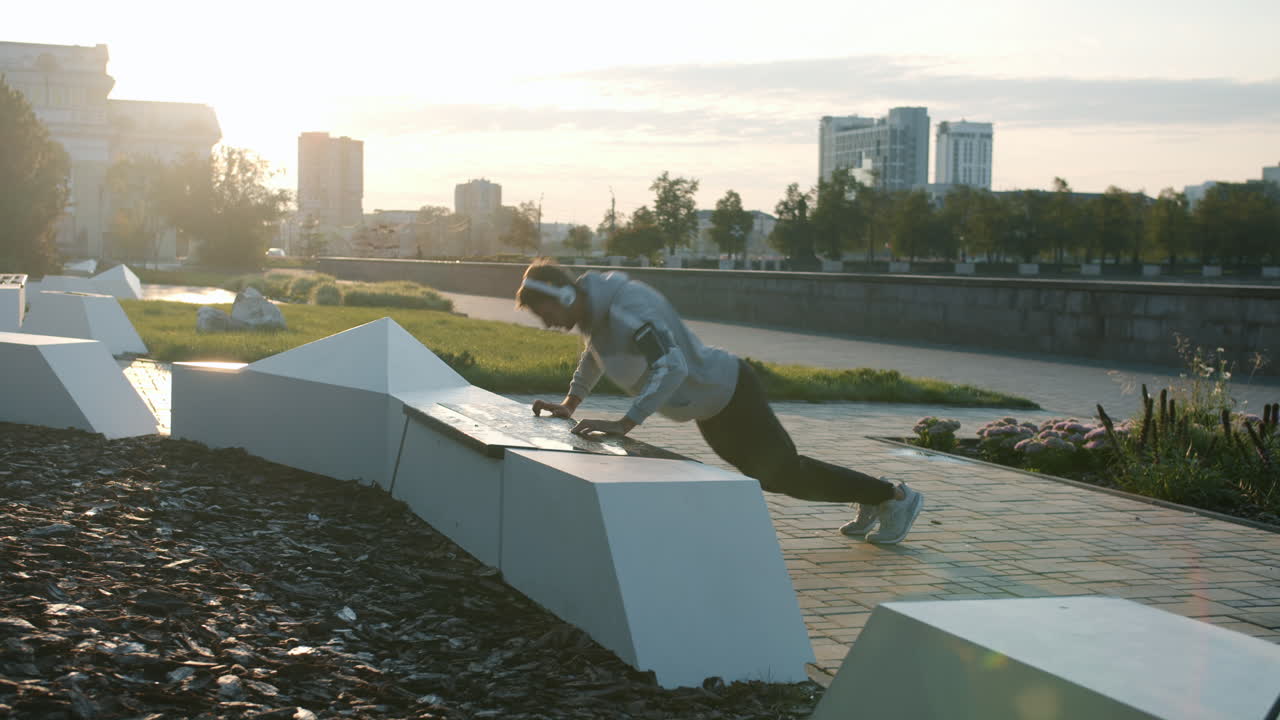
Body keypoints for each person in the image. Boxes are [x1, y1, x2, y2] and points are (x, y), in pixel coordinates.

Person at [515, 258, 924, 544]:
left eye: (545, 312)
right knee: (777, 475)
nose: (547, 323)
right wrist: (571, 402)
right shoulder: (597, 314)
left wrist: (625, 424)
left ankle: (894, 497)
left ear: (566, 296)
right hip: (710, 404)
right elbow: (595, 353)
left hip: (729, 391)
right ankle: (874, 497)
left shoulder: (627, 309)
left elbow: (671, 367)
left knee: (782, 473)